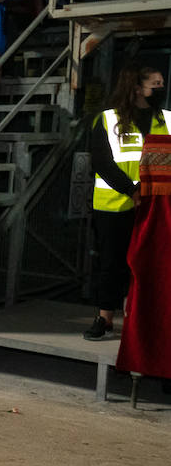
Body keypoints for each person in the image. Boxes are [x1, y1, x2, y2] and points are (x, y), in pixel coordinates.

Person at [84, 66, 170, 340]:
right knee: (111, 263)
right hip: (114, 204)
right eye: (155, 84)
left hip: (156, 207)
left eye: (162, 83)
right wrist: (132, 190)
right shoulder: (108, 119)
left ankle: (138, 320)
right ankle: (105, 318)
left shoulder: (168, 119)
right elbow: (102, 162)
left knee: (149, 265)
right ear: (136, 88)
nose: (161, 88)